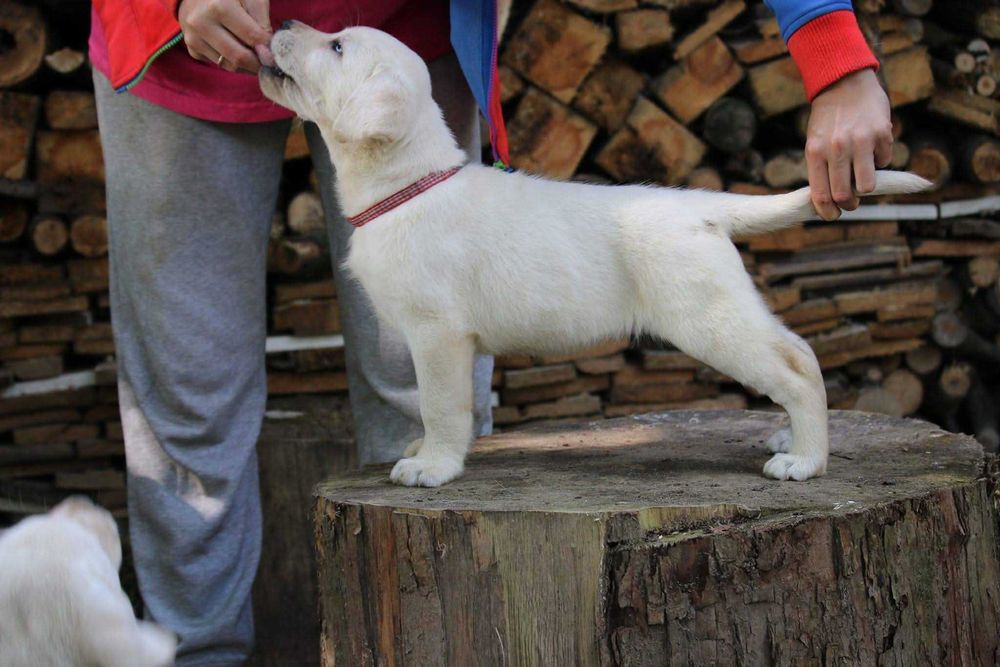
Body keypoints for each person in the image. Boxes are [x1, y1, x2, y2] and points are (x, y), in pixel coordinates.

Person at [89, 0, 893, 663]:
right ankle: (193, 655)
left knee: (420, 399)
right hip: (177, 49)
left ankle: (427, 643)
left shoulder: (394, 116)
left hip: (408, 33)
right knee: (187, 398)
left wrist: (832, 51)